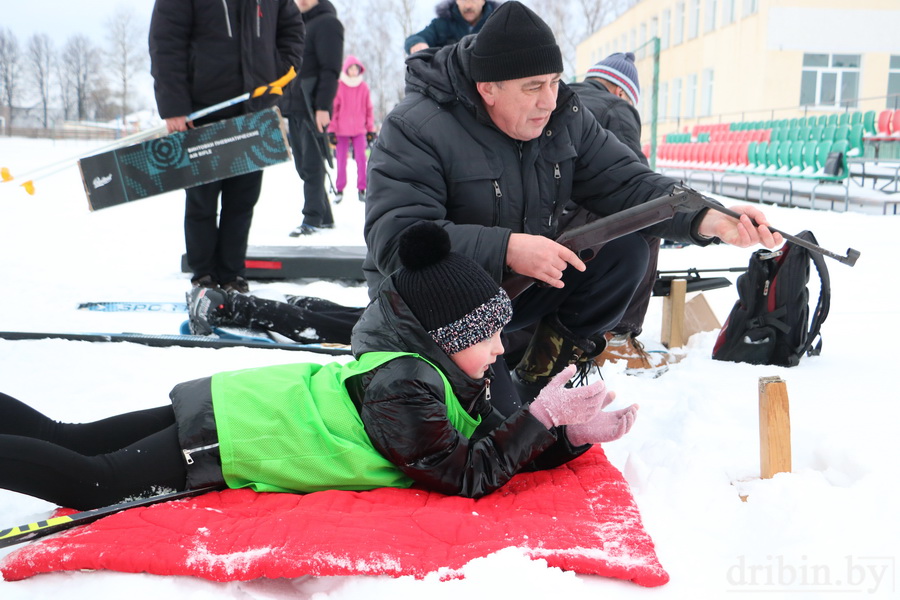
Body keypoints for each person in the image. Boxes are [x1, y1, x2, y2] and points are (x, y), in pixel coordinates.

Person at [0, 223, 638, 511]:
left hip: (236, 408)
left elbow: (492, 442)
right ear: (450, 337)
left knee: (69, 438)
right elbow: (466, 472)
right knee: (91, 481)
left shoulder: (437, 371)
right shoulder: (407, 385)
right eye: (490, 334)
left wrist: (562, 436)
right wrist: (541, 415)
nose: (501, 348)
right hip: (236, 435)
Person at [364, 2, 782, 403]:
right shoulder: (415, 126)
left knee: (625, 250)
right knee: (496, 433)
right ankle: (496, 393)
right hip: (435, 308)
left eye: (554, 81)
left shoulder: (563, 117)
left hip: (512, 292)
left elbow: (629, 183)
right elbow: (398, 240)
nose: (548, 99)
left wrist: (709, 218)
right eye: (533, 87)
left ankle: (541, 380)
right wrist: (508, 248)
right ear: (487, 88)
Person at [149, 0, 305, 292]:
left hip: (254, 109)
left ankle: (232, 274)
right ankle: (203, 274)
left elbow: (292, 30)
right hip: (202, 111)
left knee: (243, 200)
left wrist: (278, 74)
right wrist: (174, 106)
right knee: (202, 201)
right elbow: (166, 42)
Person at [565, 52, 665, 375]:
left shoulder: (561, 95)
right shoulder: (616, 108)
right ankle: (619, 334)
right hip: (580, 226)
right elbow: (634, 183)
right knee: (650, 222)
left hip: (542, 219)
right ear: (621, 91)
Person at [286, 0, 344, 237]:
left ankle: (312, 218)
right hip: (294, 105)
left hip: (312, 106)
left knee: (311, 164)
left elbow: (330, 69)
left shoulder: (327, 23)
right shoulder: (294, 24)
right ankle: (325, 216)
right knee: (303, 165)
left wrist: (323, 106)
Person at [327, 55, 375, 203]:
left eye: (356, 68)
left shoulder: (363, 87)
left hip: (359, 131)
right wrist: (331, 130)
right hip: (341, 131)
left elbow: (369, 109)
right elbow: (334, 110)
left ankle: (362, 189)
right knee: (341, 161)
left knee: (361, 159)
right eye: (351, 68)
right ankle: (339, 189)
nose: (354, 71)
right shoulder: (340, 86)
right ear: (346, 69)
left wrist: (370, 129)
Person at [405, 0, 500, 55]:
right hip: (451, 84)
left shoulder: (499, 22)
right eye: (463, 0)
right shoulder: (442, 23)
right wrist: (417, 44)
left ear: (483, 1)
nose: (468, 6)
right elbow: (416, 38)